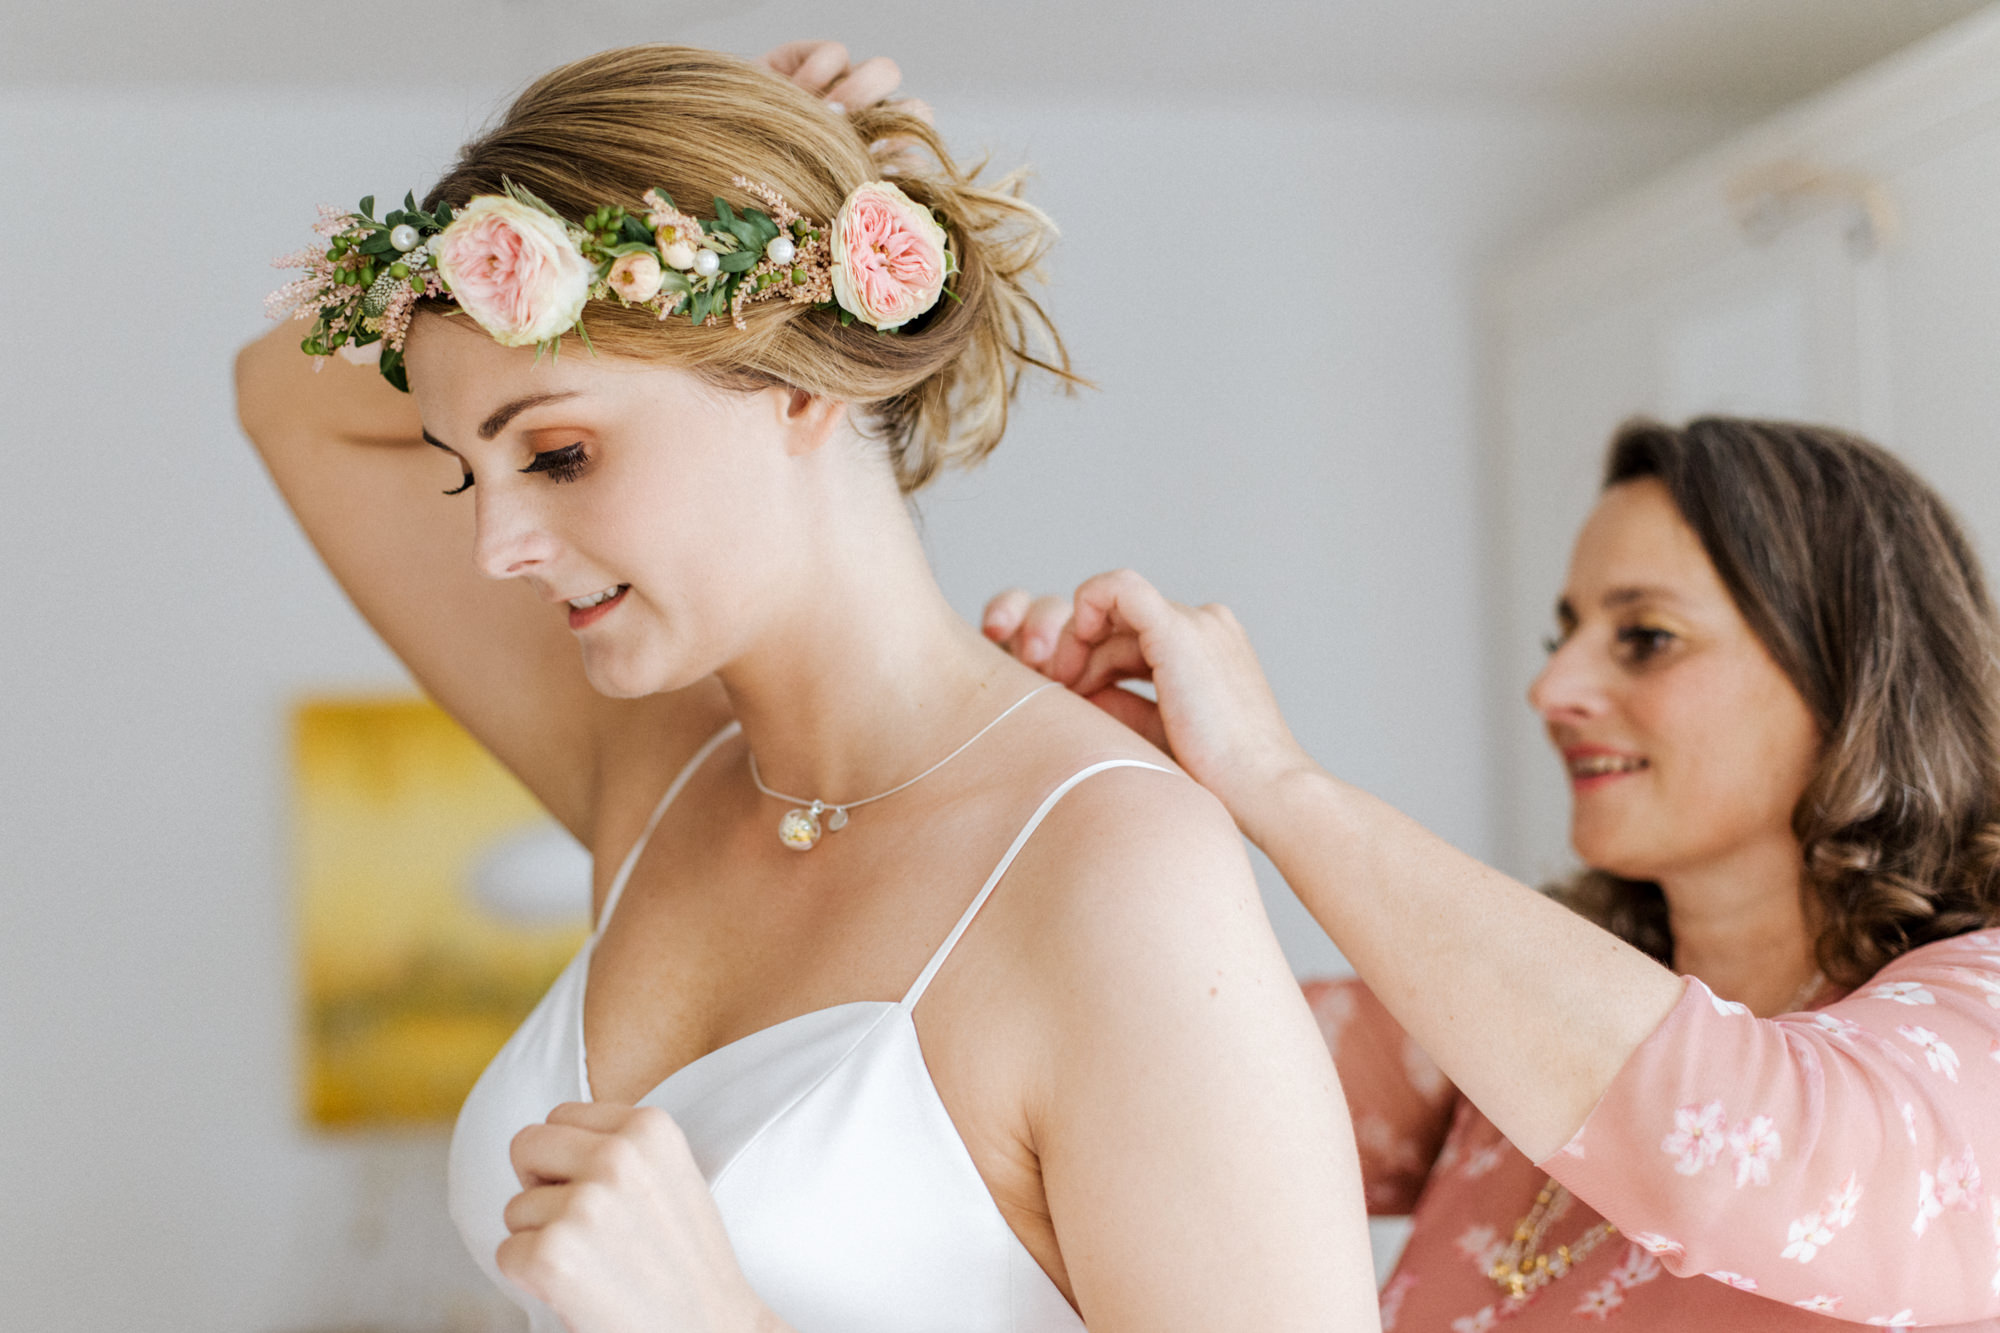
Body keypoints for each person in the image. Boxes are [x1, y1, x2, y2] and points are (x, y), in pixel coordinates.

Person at [236, 41, 1378, 1333]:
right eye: (463, 470)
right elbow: (284, 394)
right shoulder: (660, 775)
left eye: (556, 452)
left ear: (791, 380)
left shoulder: (1114, 867)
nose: (495, 548)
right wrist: (713, 194)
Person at [988, 416, 2000, 1328]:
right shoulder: (1498, 1026)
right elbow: (1108, 1077)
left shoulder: (1979, 1019)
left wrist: (1272, 779)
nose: (1551, 687)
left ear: (1853, 672)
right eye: (1564, 635)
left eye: (1643, 637)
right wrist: (1047, 773)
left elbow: (1734, 1140)